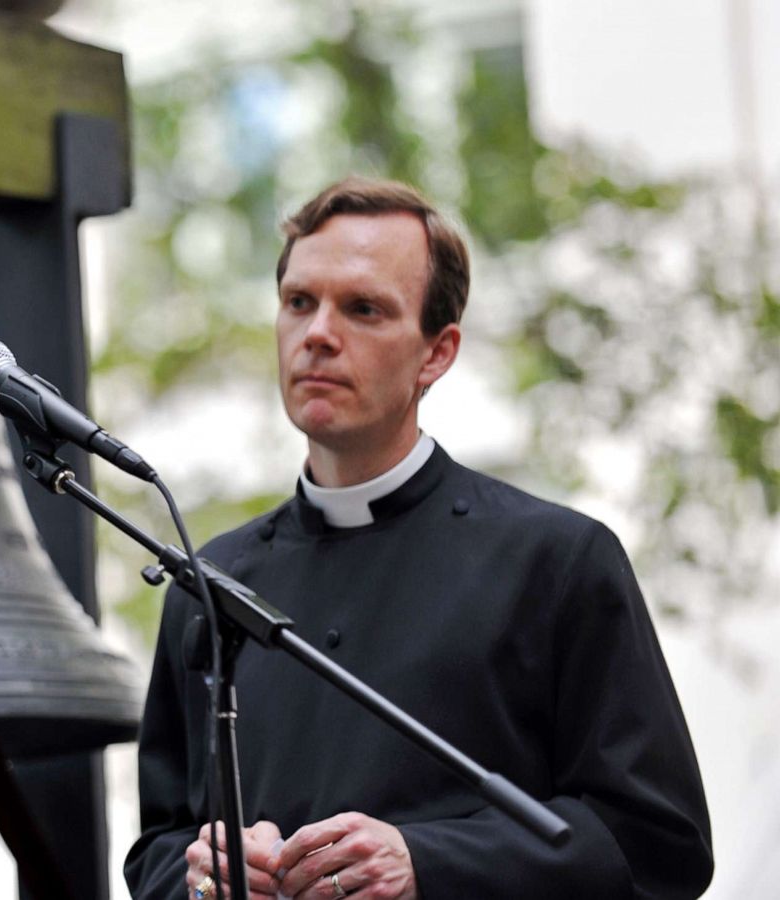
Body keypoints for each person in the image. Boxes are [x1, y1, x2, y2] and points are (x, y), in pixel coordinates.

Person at [124, 177, 712, 900]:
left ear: (437, 353)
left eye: (363, 309)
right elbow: (157, 849)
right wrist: (199, 873)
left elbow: (660, 845)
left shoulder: (557, 562)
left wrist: (428, 864)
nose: (317, 334)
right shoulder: (211, 583)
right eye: (298, 302)